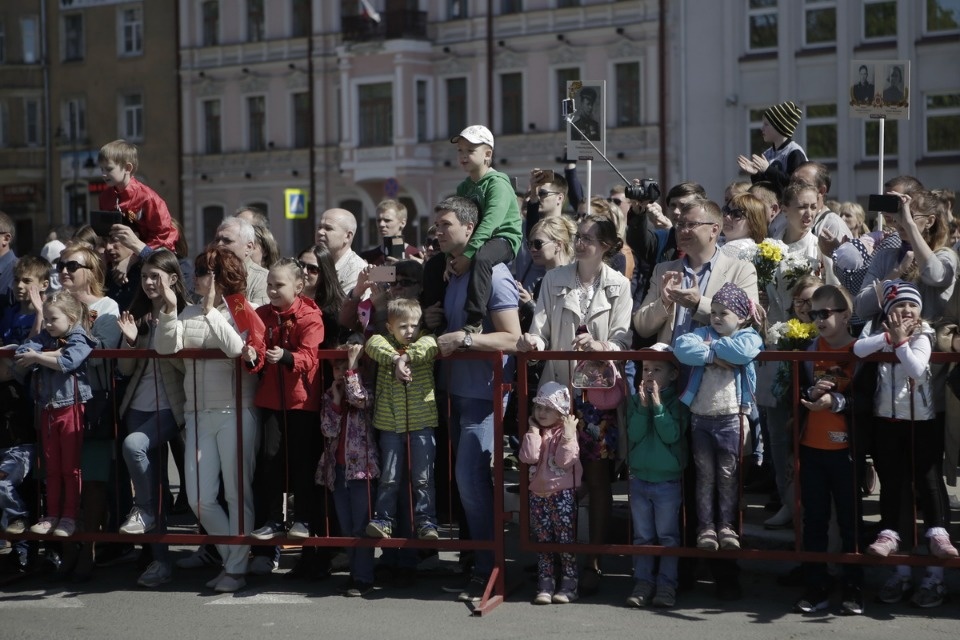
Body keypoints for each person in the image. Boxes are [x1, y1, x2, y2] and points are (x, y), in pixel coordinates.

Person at [517, 214, 633, 595]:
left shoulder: (619, 284)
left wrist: (605, 347)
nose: (581, 242)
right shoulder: (554, 279)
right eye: (579, 236)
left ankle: (593, 561)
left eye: (590, 238)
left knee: (597, 480)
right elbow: (540, 328)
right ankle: (553, 561)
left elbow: (622, 337)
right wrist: (532, 343)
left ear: (606, 246)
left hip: (597, 398)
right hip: (560, 395)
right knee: (554, 479)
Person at [427, 196, 521, 603]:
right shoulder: (451, 271)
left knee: (471, 480)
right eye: (436, 225)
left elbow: (512, 338)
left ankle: (489, 568)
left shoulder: (495, 274)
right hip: (457, 392)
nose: (437, 231)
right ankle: (479, 564)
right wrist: (438, 323)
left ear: (470, 229)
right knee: (470, 485)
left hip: (485, 394)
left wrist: (463, 338)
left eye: (445, 224)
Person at [155, 247, 262, 593]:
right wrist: (170, 311)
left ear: (219, 277)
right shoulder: (186, 311)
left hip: (236, 412)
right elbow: (165, 348)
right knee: (200, 497)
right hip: (198, 414)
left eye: (204, 272)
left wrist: (212, 311)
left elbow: (236, 348)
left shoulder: (244, 310)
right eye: (198, 272)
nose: (196, 278)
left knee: (236, 494)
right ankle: (235, 558)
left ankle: (235, 569)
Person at [855, 280, 957, 609]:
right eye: (899, 306)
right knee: (894, 487)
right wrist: (888, 338)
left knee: (927, 483)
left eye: (912, 306)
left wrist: (900, 344)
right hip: (887, 419)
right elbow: (857, 350)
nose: (907, 312)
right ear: (887, 312)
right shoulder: (879, 332)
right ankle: (898, 566)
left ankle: (935, 562)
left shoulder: (924, 333)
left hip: (922, 421)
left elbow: (917, 366)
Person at [245, 259, 327, 578]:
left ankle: (303, 518)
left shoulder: (310, 315)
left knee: (302, 462)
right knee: (269, 459)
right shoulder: (263, 314)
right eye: (269, 285)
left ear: (298, 287)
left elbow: (309, 357)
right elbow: (257, 348)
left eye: (279, 285)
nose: (272, 290)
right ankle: (272, 519)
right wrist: (253, 357)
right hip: (270, 398)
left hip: (301, 402)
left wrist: (287, 356)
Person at [792, 285, 870, 615]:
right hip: (812, 448)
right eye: (813, 314)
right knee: (815, 520)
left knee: (851, 521)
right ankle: (816, 583)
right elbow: (794, 398)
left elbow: (866, 401)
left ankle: (853, 585)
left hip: (847, 451)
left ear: (846, 315)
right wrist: (809, 392)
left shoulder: (861, 352)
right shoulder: (808, 350)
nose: (818, 320)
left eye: (825, 313)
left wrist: (836, 400)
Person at [115, 249, 188, 588]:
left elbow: (183, 367)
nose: (147, 282)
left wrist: (167, 331)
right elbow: (125, 369)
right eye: (144, 276)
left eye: (155, 276)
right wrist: (131, 345)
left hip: (170, 408)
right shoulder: (137, 314)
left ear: (173, 278)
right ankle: (160, 563)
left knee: (134, 446)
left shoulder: (186, 313)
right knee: (157, 487)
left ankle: (141, 509)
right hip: (137, 407)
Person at [674, 282, 763, 552]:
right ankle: (706, 528)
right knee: (704, 475)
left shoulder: (748, 335)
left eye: (724, 313)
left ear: (742, 316)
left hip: (731, 418)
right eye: (713, 312)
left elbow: (744, 352)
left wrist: (714, 347)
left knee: (728, 475)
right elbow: (681, 347)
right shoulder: (702, 334)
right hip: (701, 417)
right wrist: (711, 354)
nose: (715, 318)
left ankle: (726, 525)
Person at [14, 291, 95, 537]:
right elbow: (23, 348)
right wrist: (42, 353)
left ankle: (69, 515)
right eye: (45, 319)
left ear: (71, 318)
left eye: (52, 319)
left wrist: (39, 357)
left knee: (70, 467)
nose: (47, 324)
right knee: (51, 467)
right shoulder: (46, 337)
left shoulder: (79, 337)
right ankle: (51, 514)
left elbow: (69, 360)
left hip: (71, 407)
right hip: (48, 408)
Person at [633, 198, 759, 346]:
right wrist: (664, 303)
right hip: (671, 366)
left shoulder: (741, 270)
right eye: (680, 224)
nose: (683, 231)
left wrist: (698, 304)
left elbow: (748, 321)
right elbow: (642, 327)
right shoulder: (664, 269)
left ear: (714, 229)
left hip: (715, 365)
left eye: (692, 225)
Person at [364, 297, 440, 541]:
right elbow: (372, 344)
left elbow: (430, 344)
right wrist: (396, 359)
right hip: (390, 425)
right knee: (389, 477)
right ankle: (384, 519)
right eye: (403, 326)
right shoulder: (383, 344)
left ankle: (426, 521)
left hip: (422, 423)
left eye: (413, 325)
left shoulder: (424, 342)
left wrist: (406, 358)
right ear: (390, 328)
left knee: (423, 477)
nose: (410, 331)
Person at [443, 125, 523, 333]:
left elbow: (490, 222)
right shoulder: (463, 188)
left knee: (482, 258)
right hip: (477, 240)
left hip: (502, 239)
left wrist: (468, 255)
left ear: (487, 154)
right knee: (436, 261)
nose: (463, 155)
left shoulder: (498, 184)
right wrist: (448, 259)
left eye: (470, 151)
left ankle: (475, 318)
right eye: (460, 150)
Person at [625, 345, 687, 609]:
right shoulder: (635, 400)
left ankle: (666, 584)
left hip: (667, 482)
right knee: (642, 536)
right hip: (639, 479)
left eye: (657, 369)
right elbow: (635, 435)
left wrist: (658, 407)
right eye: (646, 368)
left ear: (673, 375)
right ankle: (643, 582)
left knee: (668, 536)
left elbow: (671, 435)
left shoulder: (679, 402)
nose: (649, 374)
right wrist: (642, 407)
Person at [317, 340, 380, 598]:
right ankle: (355, 573)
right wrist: (334, 400)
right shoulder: (331, 395)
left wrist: (353, 369)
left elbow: (359, 400)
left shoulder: (366, 390)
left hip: (362, 469)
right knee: (346, 526)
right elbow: (327, 429)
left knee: (361, 525)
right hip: (338, 470)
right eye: (337, 367)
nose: (341, 372)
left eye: (347, 366)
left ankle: (364, 576)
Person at [520, 381, 582, 605]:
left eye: (548, 408)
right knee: (543, 540)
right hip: (538, 493)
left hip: (562, 493)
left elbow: (565, 461)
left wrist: (567, 434)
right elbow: (528, 456)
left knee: (566, 541)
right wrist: (533, 431)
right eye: (538, 407)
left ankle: (569, 582)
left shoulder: (566, 432)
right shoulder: (536, 431)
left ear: (560, 412)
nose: (541, 412)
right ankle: (545, 582)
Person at [97, 139, 178, 251]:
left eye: (109, 169)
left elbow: (162, 233)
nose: (103, 174)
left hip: (154, 249)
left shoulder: (147, 197)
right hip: (122, 250)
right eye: (101, 169)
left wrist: (140, 252)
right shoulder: (105, 197)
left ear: (127, 168)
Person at [766, 181, 822, 323]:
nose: (809, 213)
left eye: (813, 207)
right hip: (775, 330)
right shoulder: (768, 248)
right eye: (802, 207)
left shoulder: (819, 246)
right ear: (784, 210)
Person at [737, 101, 807, 195]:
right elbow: (764, 190)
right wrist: (755, 174)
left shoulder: (795, 152)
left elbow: (794, 184)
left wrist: (768, 169)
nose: (762, 128)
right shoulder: (767, 154)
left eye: (766, 124)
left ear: (780, 126)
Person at [214, 217, 269, 306]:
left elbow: (257, 318)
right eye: (217, 240)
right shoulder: (210, 275)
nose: (219, 245)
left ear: (248, 247)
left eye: (227, 241)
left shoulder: (263, 279)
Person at [316, 208, 367, 294]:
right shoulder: (312, 263)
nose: (320, 232)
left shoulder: (357, 271)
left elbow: (343, 306)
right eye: (319, 227)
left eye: (328, 228)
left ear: (347, 236)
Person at [359, 200, 422, 266]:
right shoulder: (366, 258)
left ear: (402, 223)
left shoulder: (416, 255)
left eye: (387, 220)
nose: (381, 224)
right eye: (378, 220)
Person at [719, 194, 767, 261]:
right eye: (726, 210)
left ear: (753, 224)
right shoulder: (719, 240)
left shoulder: (732, 249)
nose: (727, 217)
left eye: (736, 214)